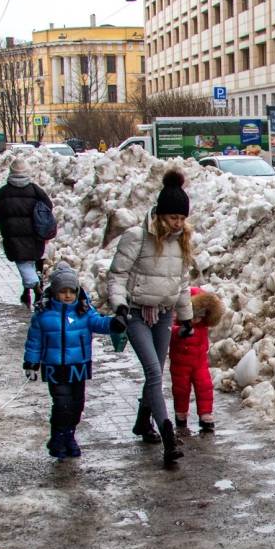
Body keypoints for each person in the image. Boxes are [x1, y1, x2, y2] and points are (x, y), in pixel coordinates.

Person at [108, 168, 195, 468]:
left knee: (156, 371)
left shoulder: (182, 241)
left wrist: (186, 319)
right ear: (160, 214)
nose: (178, 224)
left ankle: (142, 423)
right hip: (135, 313)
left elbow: (181, 282)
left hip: (163, 314)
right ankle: (168, 437)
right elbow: (117, 276)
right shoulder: (136, 237)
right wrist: (119, 307)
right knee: (154, 374)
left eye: (182, 219)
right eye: (174, 218)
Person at [23, 263, 124, 459]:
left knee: (77, 404)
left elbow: (98, 322)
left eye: (72, 291)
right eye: (63, 291)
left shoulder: (83, 312)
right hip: (55, 368)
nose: (68, 295)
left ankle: (69, 436)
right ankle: (58, 437)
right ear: (54, 292)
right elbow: (34, 341)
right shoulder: (43, 315)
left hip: (78, 368)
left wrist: (114, 323)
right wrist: (31, 362)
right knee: (62, 405)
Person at [0, 158, 54, 307]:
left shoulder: (3, 192)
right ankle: (33, 290)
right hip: (34, 234)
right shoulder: (35, 190)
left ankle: (35, 290)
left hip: (13, 235)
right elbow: (48, 207)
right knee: (31, 262)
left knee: (23, 263)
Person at [169, 286, 224, 435]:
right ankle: (181, 414)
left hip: (200, 362)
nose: (197, 319)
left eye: (200, 316)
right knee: (181, 389)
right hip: (180, 362)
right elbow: (170, 331)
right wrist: (179, 332)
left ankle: (205, 414)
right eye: (194, 315)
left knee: (205, 386)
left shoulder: (203, 324)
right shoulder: (178, 322)